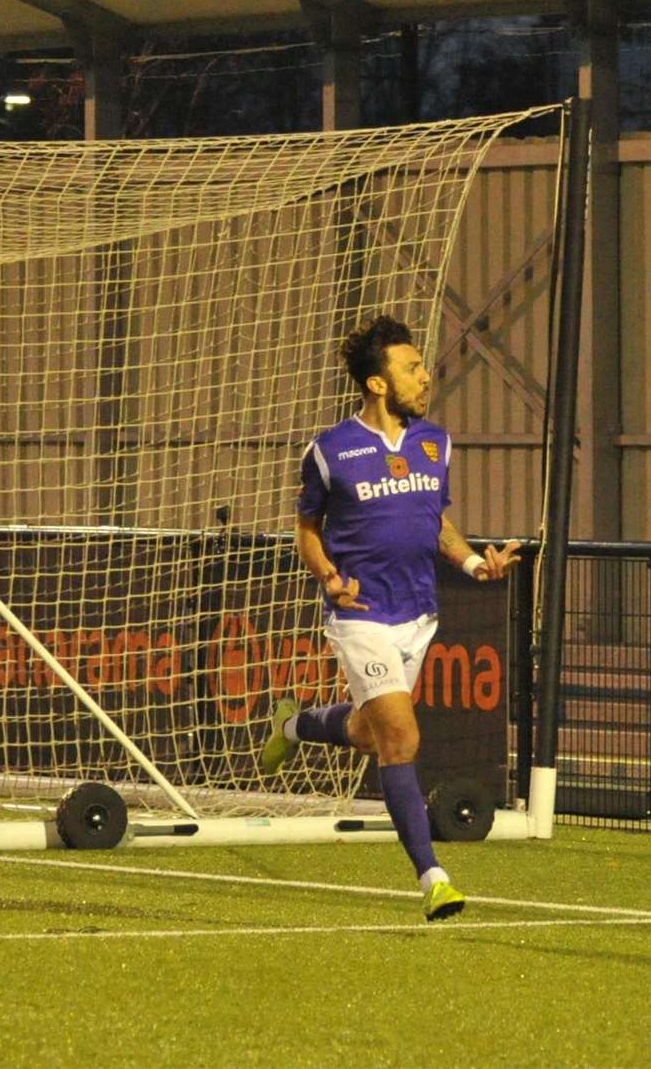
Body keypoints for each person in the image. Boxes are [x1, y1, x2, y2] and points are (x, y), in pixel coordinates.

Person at [259, 315, 519, 922]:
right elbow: (306, 529)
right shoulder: (330, 451)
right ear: (378, 384)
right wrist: (328, 577)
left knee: (367, 732)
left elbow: (435, 523)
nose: (425, 376)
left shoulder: (436, 443)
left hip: (418, 614)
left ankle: (293, 726)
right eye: (411, 367)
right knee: (401, 738)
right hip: (361, 613)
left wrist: (477, 563)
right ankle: (433, 878)